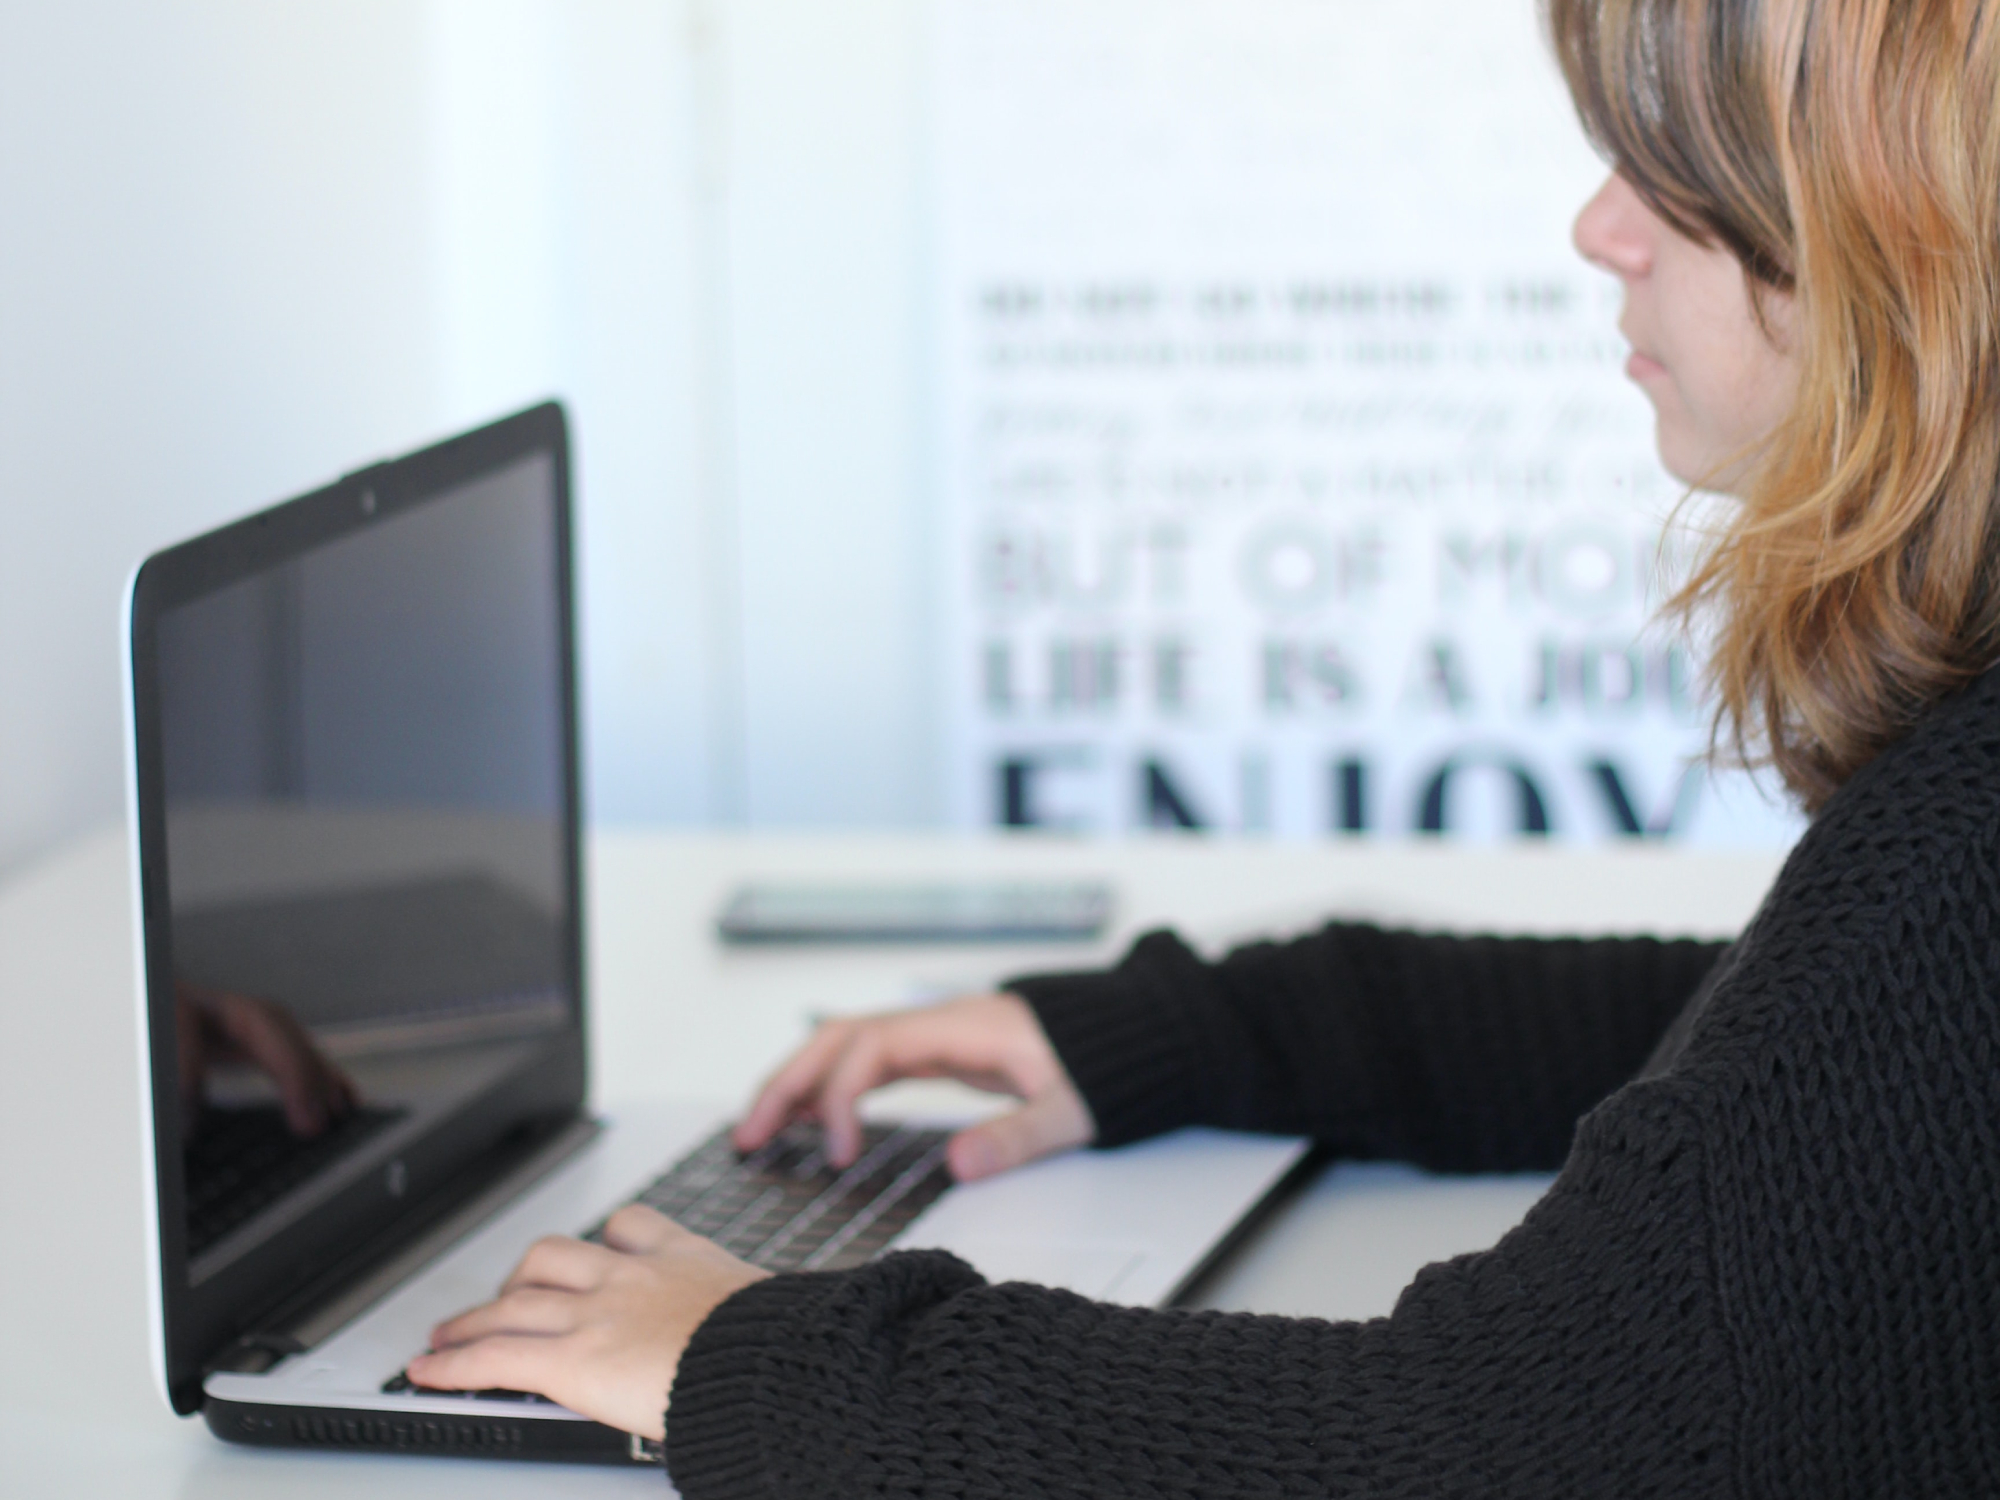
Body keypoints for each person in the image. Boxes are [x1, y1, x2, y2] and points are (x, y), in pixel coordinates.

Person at [408, 0, 2000, 1493]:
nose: (1602, 228)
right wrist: (1191, 1036)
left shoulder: (1959, 850)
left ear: (1895, 248)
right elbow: (1762, 1066)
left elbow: (1484, 1444)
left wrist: (747, 1362)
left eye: (1675, 170)